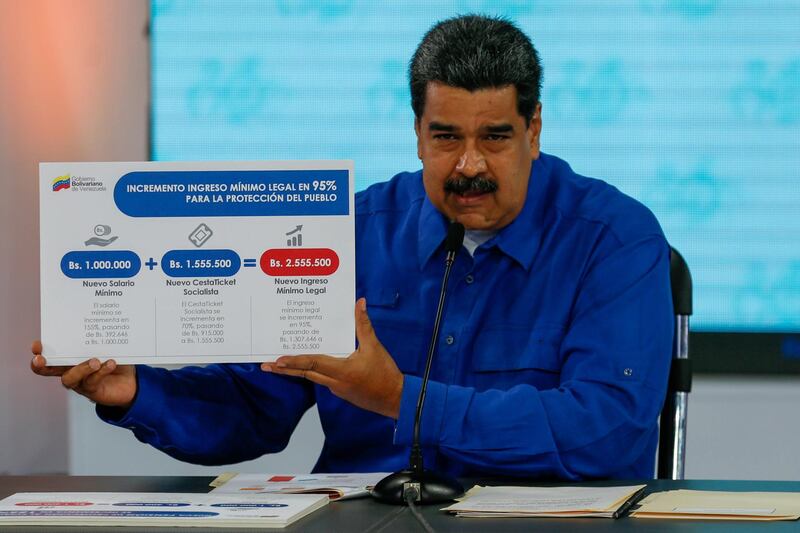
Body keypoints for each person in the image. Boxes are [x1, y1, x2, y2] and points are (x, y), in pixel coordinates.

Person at [31, 15, 672, 480]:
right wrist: (136, 391)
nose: (469, 164)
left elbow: (606, 432)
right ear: (417, 132)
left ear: (534, 129)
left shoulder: (615, 239)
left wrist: (399, 399)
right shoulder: (352, 230)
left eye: (496, 137)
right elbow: (257, 407)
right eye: (445, 136)